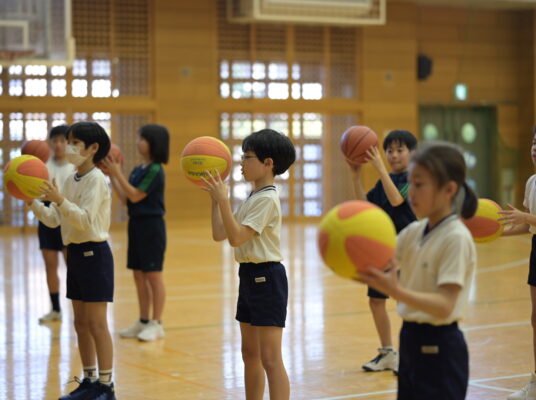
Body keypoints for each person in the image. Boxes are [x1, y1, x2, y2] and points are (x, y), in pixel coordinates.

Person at [358, 142, 477, 400]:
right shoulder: (413, 232)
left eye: (419, 184)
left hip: (441, 346)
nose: (410, 192)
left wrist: (396, 290)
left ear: (449, 189)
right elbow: (379, 261)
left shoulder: (455, 238)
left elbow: (445, 305)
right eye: (410, 183)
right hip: (410, 339)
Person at [203, 129, 295, 400]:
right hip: (249, 275)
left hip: (267, 278)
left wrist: (223, 200)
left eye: (247, 157)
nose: (241, 163)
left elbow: (236, 238)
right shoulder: (254, 196)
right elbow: (219, 233)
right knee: (250, 354)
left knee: (270, 357)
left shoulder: (267, 199)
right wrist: (215, 202)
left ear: (269, 163)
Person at [28, 122, 116, 400]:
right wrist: (32, 202)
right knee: (80, 323)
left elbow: (86, 220)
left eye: (75, 142)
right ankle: (89, 380)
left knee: (97, 323)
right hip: (75, 254)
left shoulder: (98, 180)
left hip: (95, 254)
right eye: (68, 141)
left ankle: (106, 386)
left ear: (93, 149)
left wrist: (60, 200)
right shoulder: (70, 178)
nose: (68, 147)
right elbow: (55, 219)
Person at [350, 129, 417, 372]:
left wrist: (378, 167)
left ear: (413, 153)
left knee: (407, 303)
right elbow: (365, 207)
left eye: (400, 150)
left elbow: (398, 200)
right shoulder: (384, 181)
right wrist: (356, 176)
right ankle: (388, 352)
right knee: (376, 301)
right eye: (389, 150)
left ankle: (412, 354)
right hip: (382, 250)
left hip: (407, 250)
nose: (393, 155)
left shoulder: (415, 179)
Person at [102, 124, 169, 342]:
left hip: (152, 227)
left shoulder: (156, 170)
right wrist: (112, 177)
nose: (138, 142)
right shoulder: (138, 169)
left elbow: (136, 195)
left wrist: (116, 172)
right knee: (138, 275)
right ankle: (142, 320)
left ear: (154, 143)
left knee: (153, 276)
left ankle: (157, 323)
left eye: (142, 139)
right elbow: (125, 199)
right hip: (136, 226)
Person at [499, 126, 536, 400]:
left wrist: (526, 218)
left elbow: (528, 220)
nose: (535, 147)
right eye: (534, 141)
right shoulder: (532, 182)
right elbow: (527, 226)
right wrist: (495, 232)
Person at [38, 124, 75, 323]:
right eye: (56, 140)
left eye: (63, 140)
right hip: (47, 218)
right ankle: (56, 309)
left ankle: (79, 305)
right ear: (50, 142)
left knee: (73, 267)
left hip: (67, 218)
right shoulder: (42, 166)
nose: (59, 144)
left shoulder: (74, 167)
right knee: (50, 265)